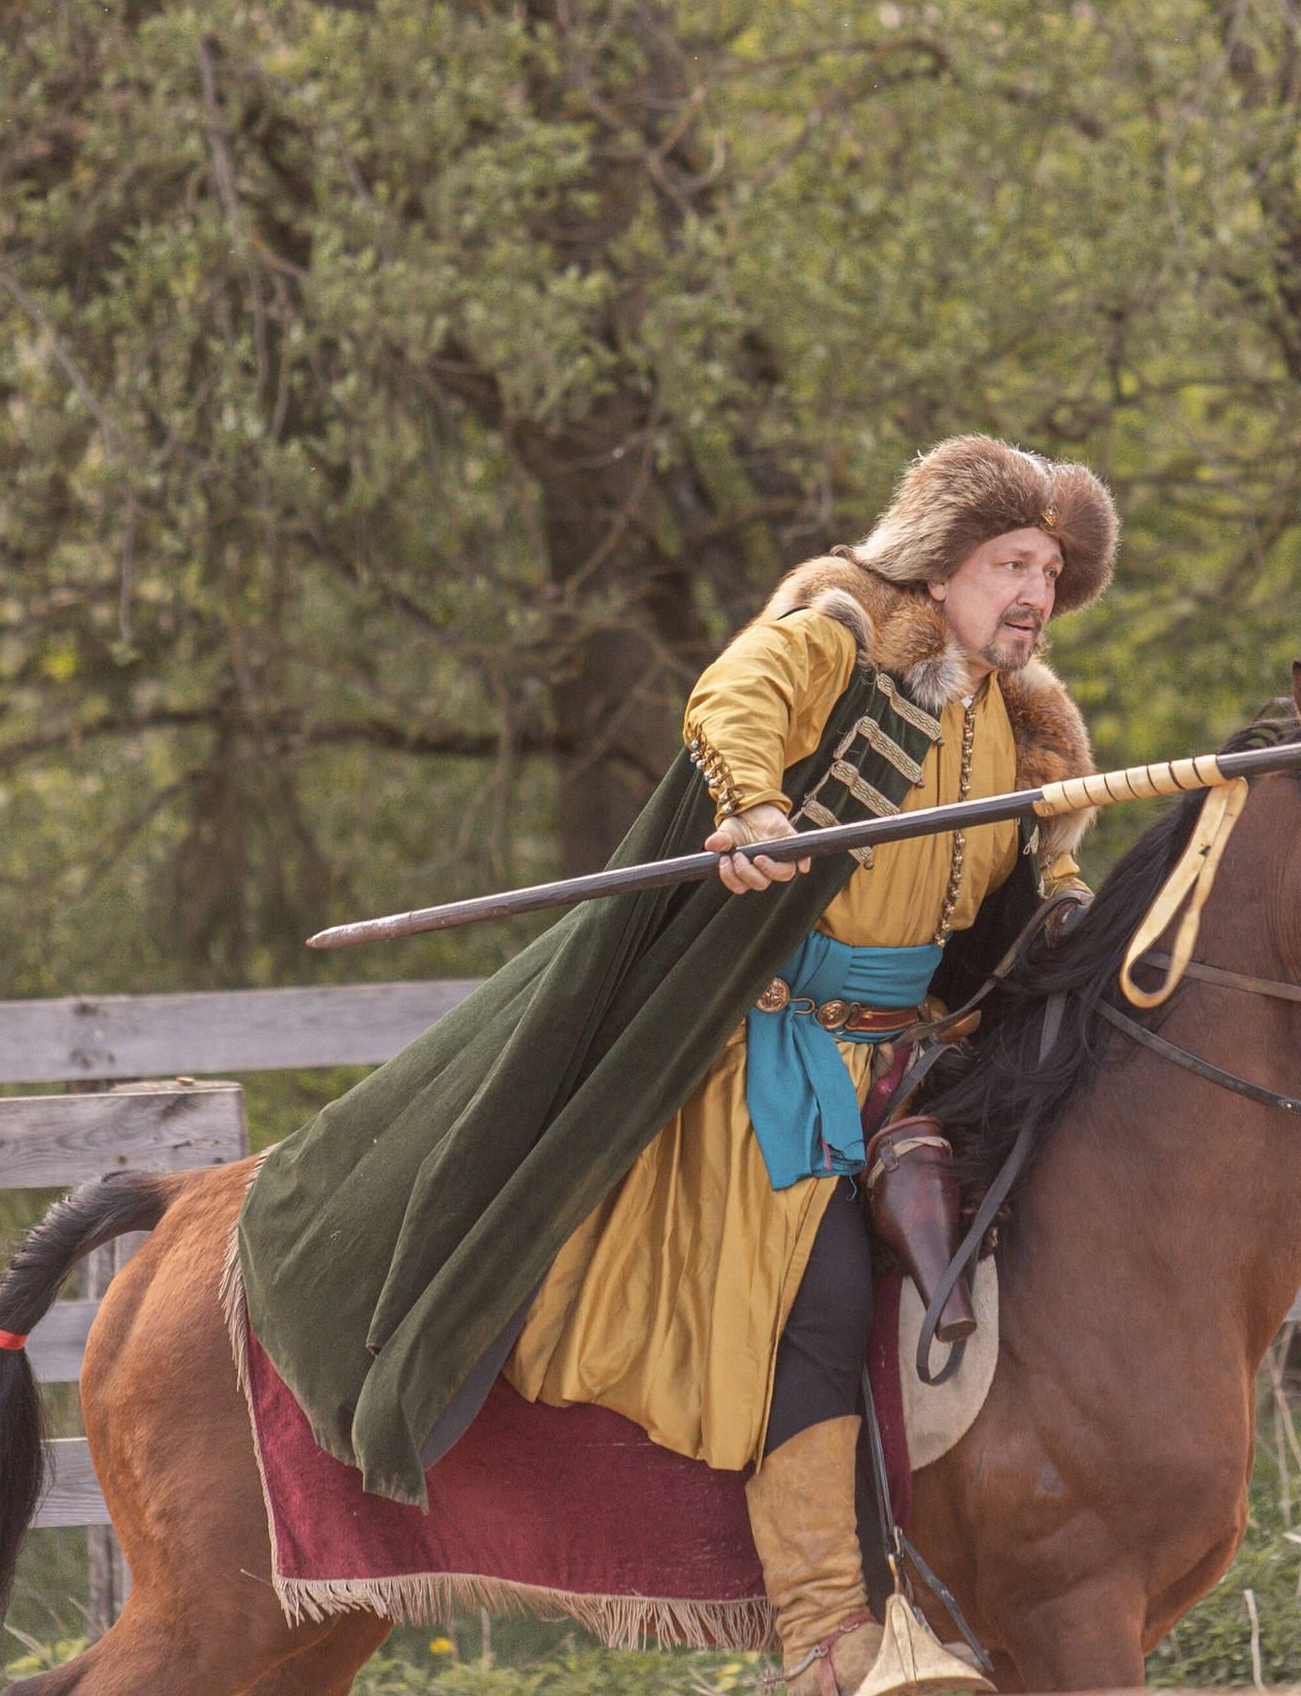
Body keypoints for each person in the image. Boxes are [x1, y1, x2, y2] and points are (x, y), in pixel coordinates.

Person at [237, 436, 1114, 1696]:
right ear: (941, 564)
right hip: (763, 1057)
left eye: (1050, 569)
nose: (1034, 590)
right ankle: (830, 1638)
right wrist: (755, 808)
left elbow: (1001, 912)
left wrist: (1061, 904)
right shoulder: (841, 636)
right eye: (1009, 562)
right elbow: (731, 697)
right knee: (815, 1305)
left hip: (906, 1065)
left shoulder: (1021, 728)